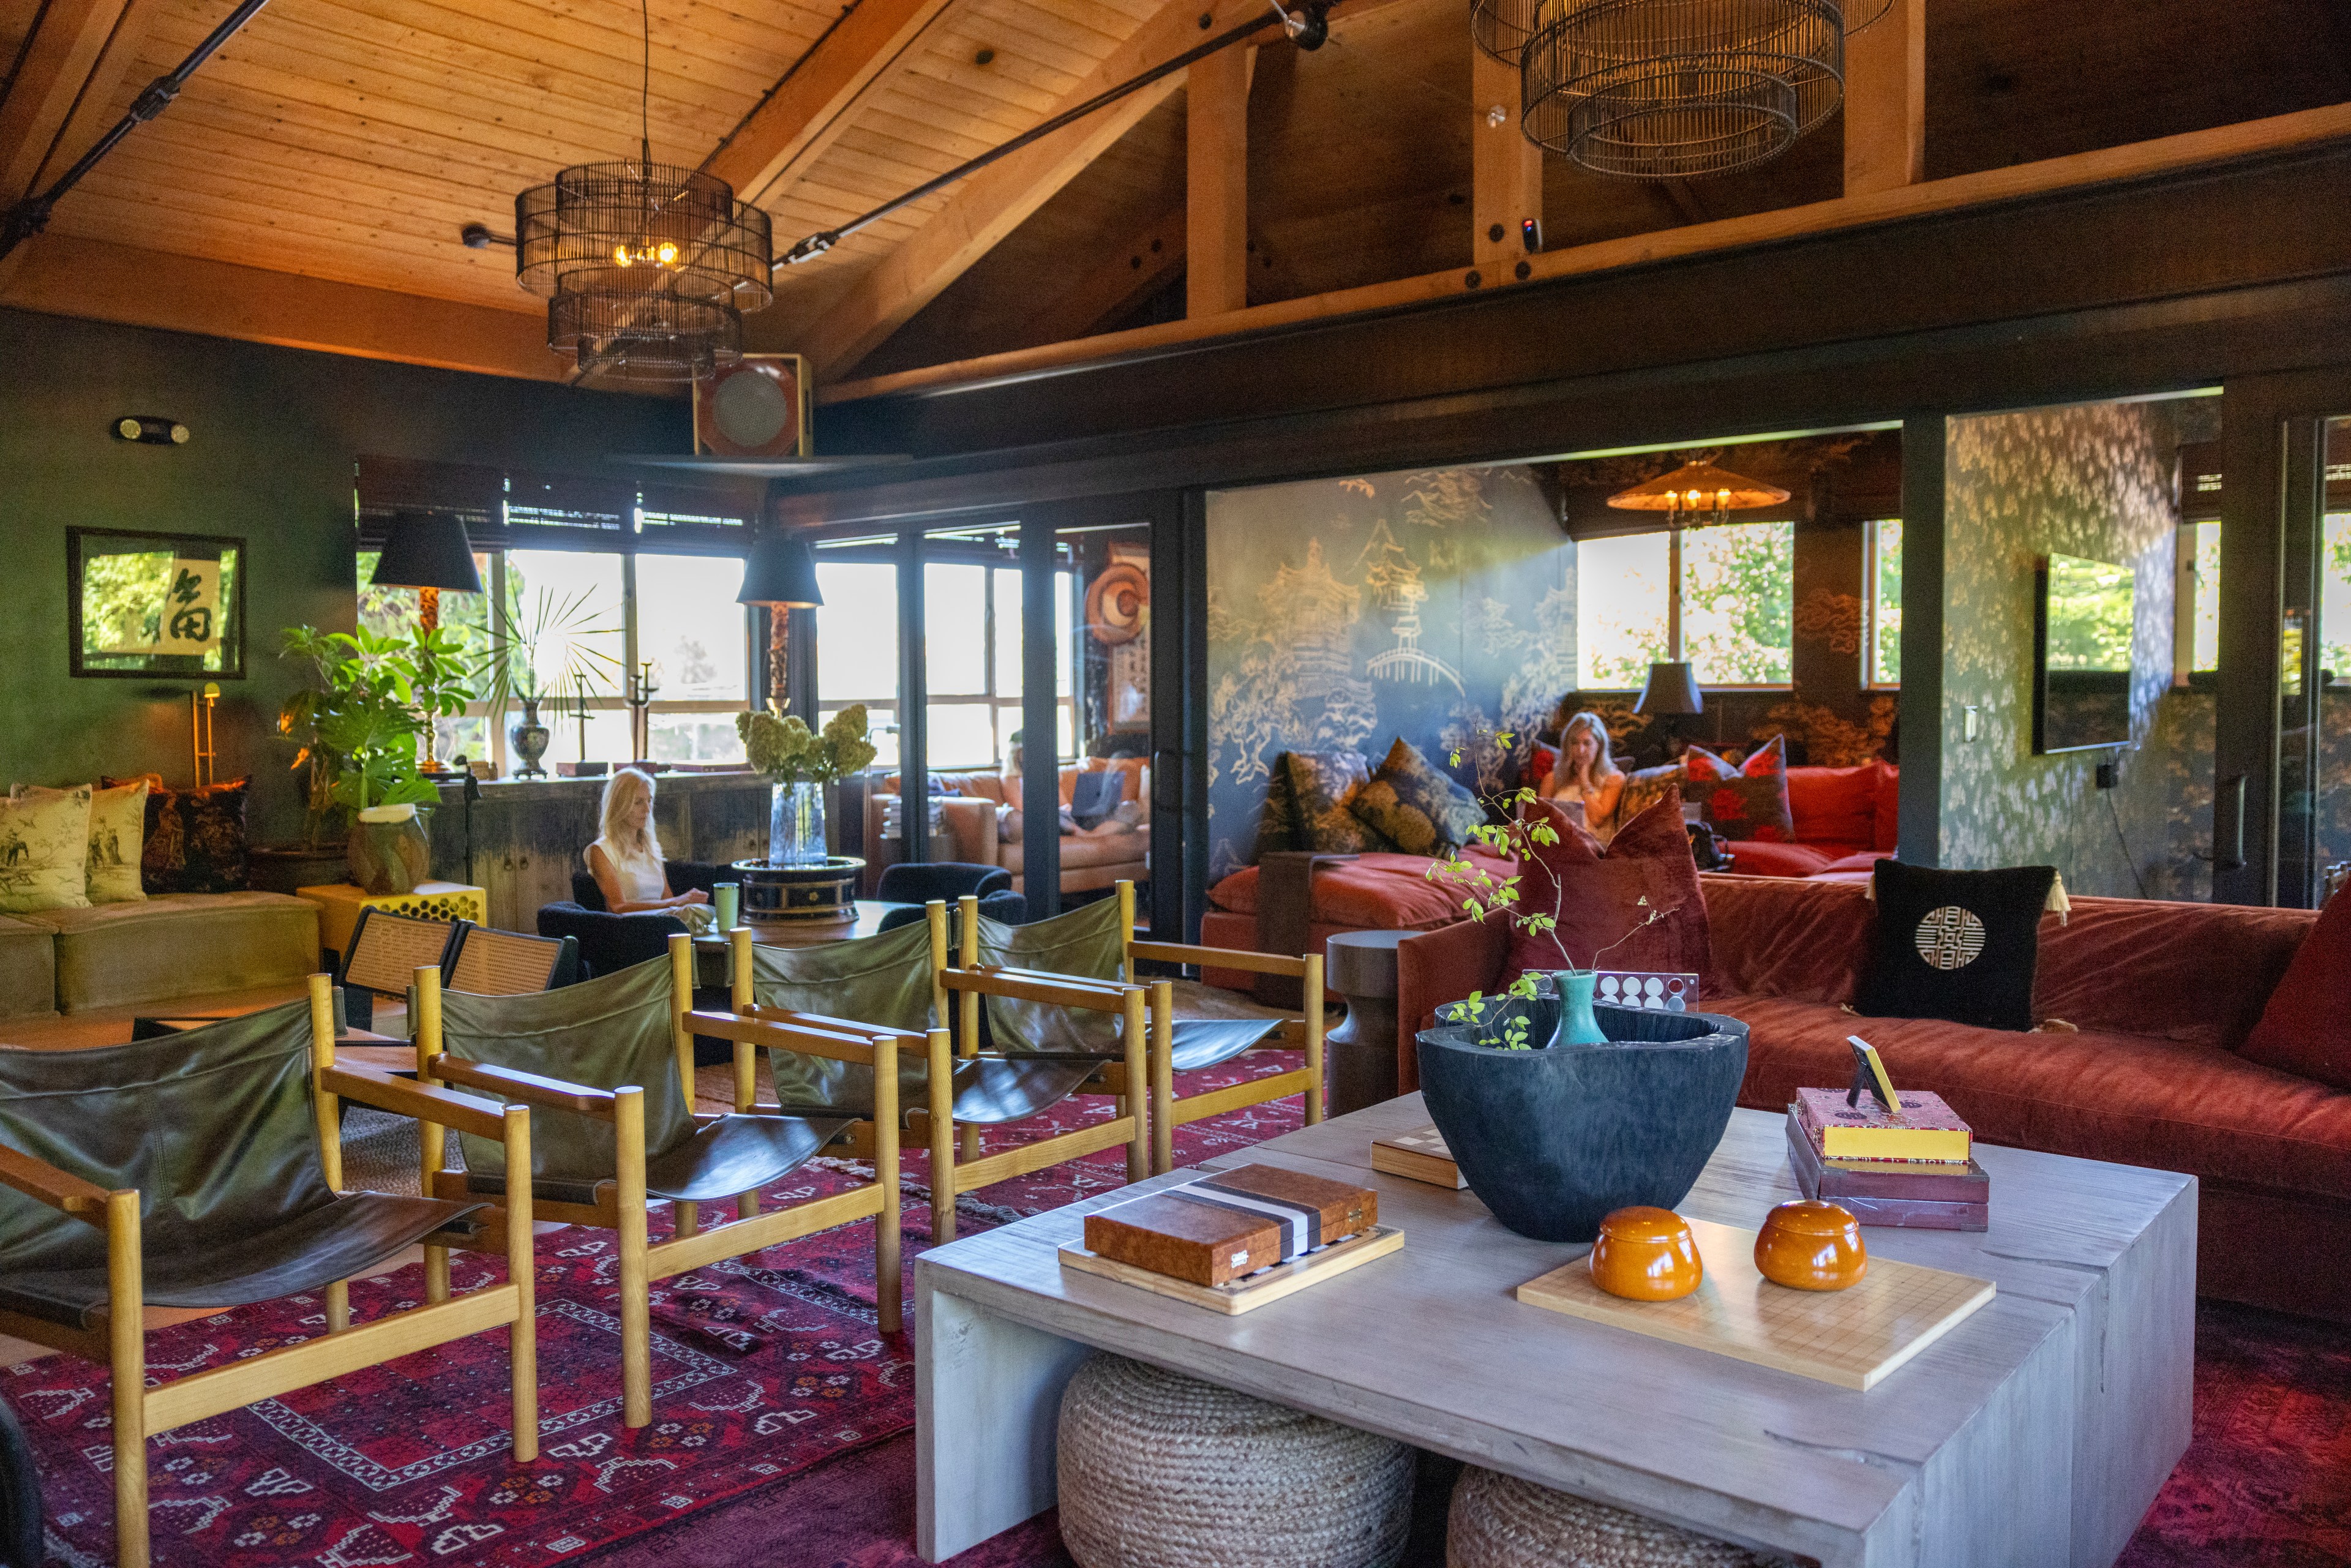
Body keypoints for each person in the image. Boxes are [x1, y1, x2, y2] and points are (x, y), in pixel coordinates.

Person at [586, 767, 712, 928]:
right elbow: (617, 908)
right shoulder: (601, 850)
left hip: (660, 927)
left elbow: (668, 901)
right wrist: (680, 901)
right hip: (629, 932)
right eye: (638, 802)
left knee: (708, 914)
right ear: (619, 805)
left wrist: (686, 904)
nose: (647, 809)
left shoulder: (653, 848)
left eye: (649, 800)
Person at [1547, 710, 1625, 834]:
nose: (1581, 750)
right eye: (1575, 743)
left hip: (1595, 847)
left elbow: (1597, 821)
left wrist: (1584, 782)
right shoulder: (1553, 778)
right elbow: (1538, 821)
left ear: (1599, 745)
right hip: (1558, 844)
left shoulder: (1614, 778)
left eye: (1587, 743)